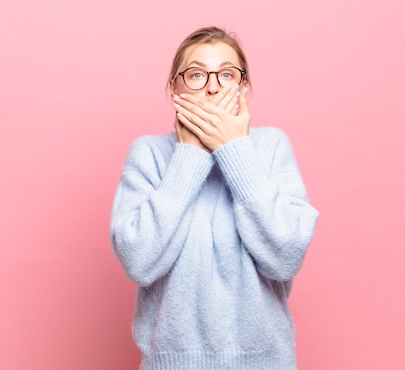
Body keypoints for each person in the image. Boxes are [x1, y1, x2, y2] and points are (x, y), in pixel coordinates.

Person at [110, 26, 319, 370]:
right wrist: (190, 155)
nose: (212, 86)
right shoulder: (148, 154)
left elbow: (285, 257)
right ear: (174, 88)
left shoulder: (270, 147)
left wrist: (233, 149)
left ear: (244, 87)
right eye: (195, 74)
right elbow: (140, 262)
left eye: (226, 73)